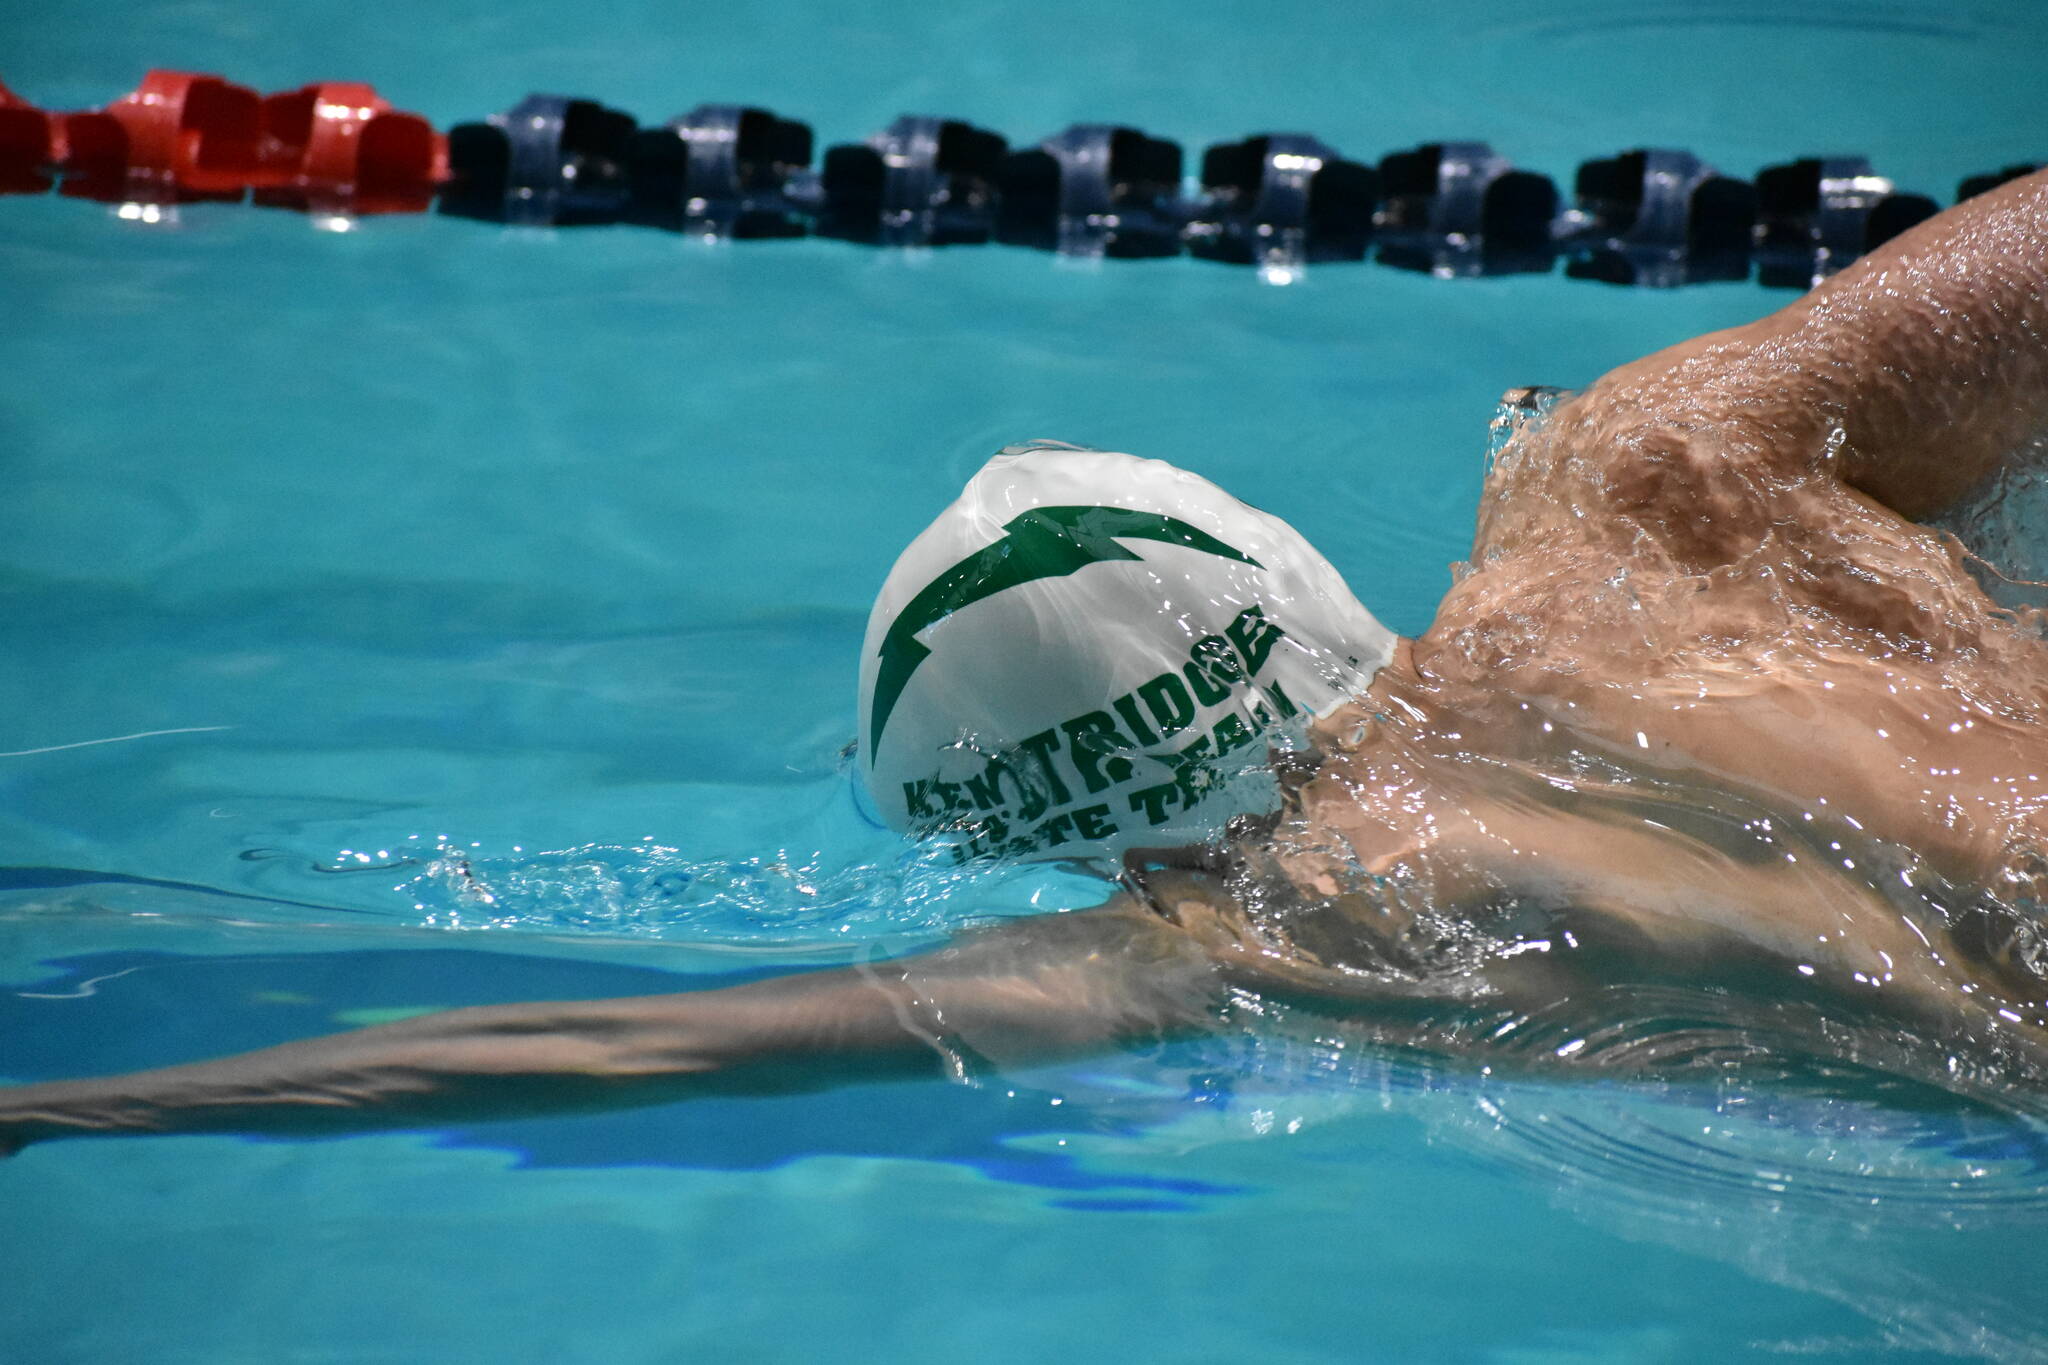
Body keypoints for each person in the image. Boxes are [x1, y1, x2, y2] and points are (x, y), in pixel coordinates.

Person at [4, 169, 2046, 1155]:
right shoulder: (1652, 483)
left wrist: (66, 1109)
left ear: (1071, 841)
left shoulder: (1264, 936)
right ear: (1296, 582)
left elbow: (620, 1047)